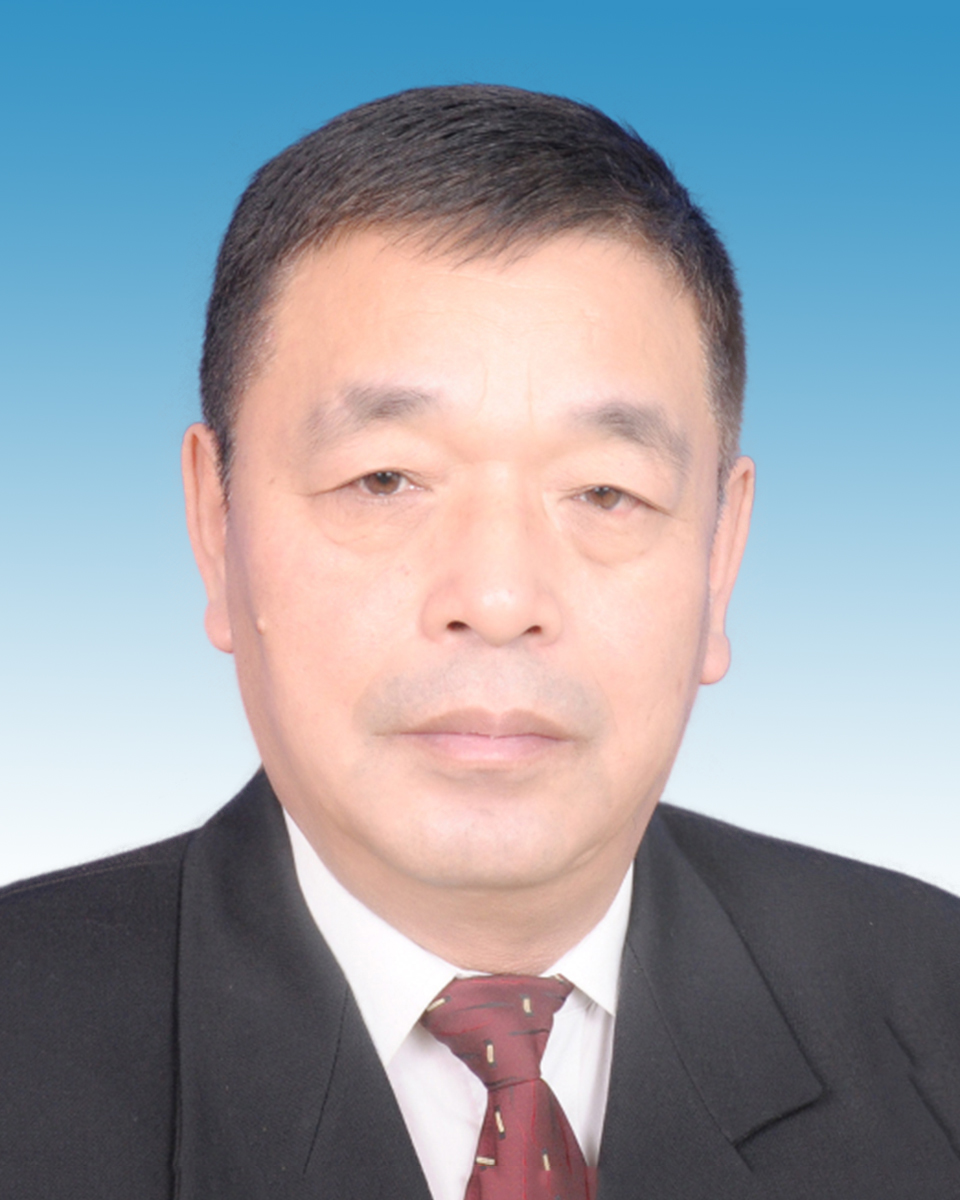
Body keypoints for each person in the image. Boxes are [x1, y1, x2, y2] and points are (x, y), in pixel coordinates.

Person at [1, 85, 959, 1200]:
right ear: (217, 527)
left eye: (604, 491)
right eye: (385, 479)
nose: (499, 599)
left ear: (721, 552)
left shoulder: (934, 1013)